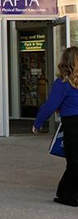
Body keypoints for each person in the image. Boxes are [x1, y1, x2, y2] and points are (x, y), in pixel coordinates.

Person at [33, 46, 78, 207]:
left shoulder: (63, 83)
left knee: (74, 161)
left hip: (73, 123)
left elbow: (50, 105)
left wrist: (38, 122)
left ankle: (68, 195)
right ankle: (66, 193)